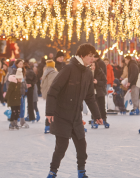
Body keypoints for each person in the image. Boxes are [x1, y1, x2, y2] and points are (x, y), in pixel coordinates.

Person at [46, 43, 103, 178]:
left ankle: (81, 173)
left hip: (76, 116)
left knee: (82, 145)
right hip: (61, 115)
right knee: (61, 147)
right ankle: (52, 172)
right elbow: (53, 90)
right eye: (89, 56)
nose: (92, 59)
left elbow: (90, 97)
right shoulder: (69, 69)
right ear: (81, 56)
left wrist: (97, 115)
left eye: (93, 56)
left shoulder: (88, 72)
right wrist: (49, 111)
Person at [41, 60, 58, 134]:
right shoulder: (54, 73)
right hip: (53, 94)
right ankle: (50, 125)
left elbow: (42, 84)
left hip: (47, 93)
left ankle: (47, 126)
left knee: (49, 109)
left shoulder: (45, 72)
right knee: (54, 110)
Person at [90, 61, 108, 128]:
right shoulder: (88, 72)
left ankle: (104, 119)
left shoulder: (100, 72)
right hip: (92, 93)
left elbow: (104, 81)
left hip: (100, 92)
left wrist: (97, 82)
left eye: (94, 65)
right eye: (91, 65)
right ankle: (94, 120)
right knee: (94, 107)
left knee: (102, 106)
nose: (93, 67)